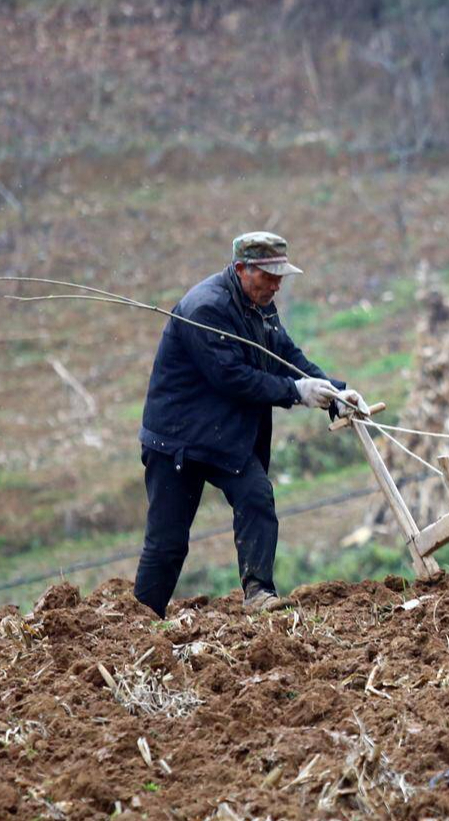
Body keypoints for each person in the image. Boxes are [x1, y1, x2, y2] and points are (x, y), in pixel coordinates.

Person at [134, 231, 360, 616]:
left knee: (256, 496)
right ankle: (140, 620)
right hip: (178, 440)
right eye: (268, 276)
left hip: (222, 436)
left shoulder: (260, 304)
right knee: (168, 543)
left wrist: (337, 393)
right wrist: (296, 392)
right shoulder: (205, 310)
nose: (275, 285)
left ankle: (258, 594)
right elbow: (233, 378)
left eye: (279, 277)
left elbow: (285, 354)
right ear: (241, 269)